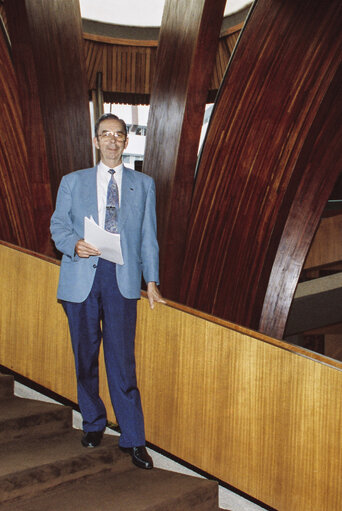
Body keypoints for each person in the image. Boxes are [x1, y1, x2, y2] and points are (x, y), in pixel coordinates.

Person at [50, 113, 165, 470]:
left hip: (122, 280)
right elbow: (58, 226)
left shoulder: (143, 184)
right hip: (81, 279)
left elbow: (148, 237)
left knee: (122, 362)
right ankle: (93, 422)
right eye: (105, 134)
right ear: (96, 141)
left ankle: (133, 438)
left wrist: (152, 281)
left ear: (125, 142)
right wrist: (75, 244)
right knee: (85, 357)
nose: (112, 140)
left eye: (119, 135)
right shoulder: (72, 182)